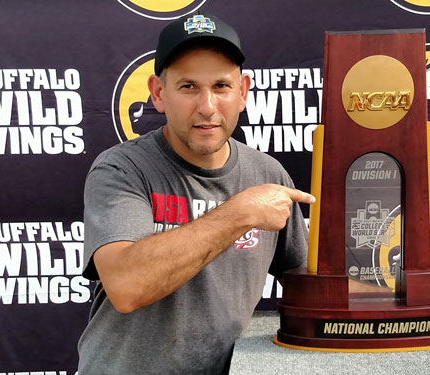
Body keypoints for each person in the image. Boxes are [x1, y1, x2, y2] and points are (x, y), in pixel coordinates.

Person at [77, 13, 314, 374]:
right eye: (188, 87)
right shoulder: (122, 169)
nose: (207, 107)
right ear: (158, 93)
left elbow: (309, 287)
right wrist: (239, 214)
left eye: (221, 86)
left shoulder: (266, 173)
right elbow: (126, 286)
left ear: (243, 92)